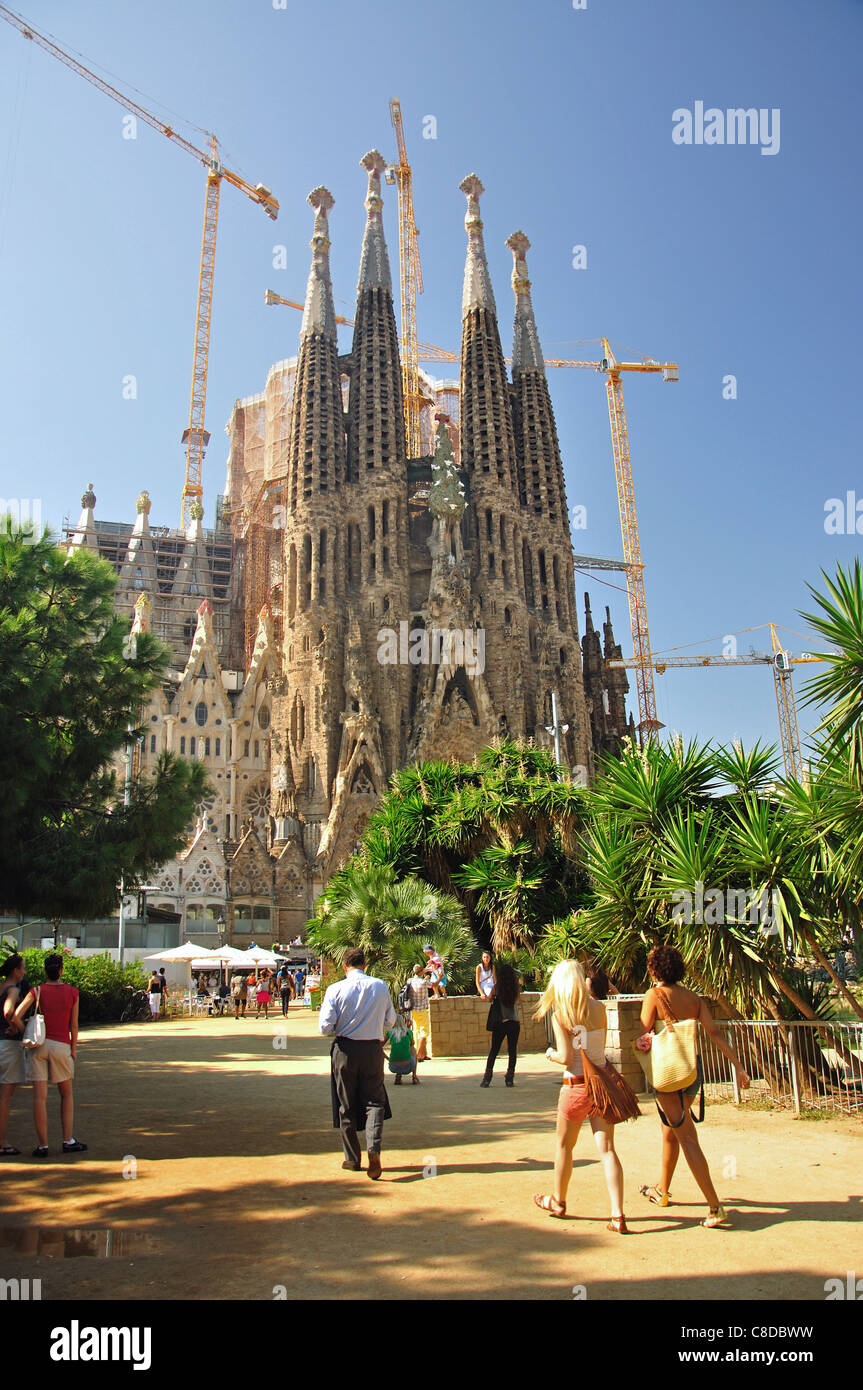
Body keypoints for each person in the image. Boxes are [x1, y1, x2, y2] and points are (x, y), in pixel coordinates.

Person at [638, 944, 750, 1228]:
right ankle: (662, 1190)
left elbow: (644, 1035)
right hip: (691, 1072)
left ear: (654, 969)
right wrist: (738, 1066)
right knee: (671, 1132)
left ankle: (714, 1206)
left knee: (686, 1137)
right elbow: (713, 1033)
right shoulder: (694, 998)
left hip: (667, 1075)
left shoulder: (653, 995)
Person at [533, 959, 628, 1232]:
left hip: (575, 1086)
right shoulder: (599, 1008)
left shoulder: (561, 1013)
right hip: (601, 1086)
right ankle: (617, 1214)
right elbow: (599, 1049)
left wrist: (550, 1055)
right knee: (607, 1150)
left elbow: (566, 1057)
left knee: (564, 1146)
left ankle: (559, 1201)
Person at [319, 947, 396, 1179]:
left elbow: (324, 1027)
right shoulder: (379, 986)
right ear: (365, 965)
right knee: (374, 1101)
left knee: (346, 1104)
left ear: (344, 966)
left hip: (345, 1050)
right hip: (372, 1049)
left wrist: (342, 1026)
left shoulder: (335, 989)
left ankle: (352, 1158)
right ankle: (373, 1147)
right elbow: (390, 1020)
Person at [15, 953, 86, 1157]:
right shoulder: (72, 993)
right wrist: (73, 1049)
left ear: (45, 971)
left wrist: (22, 1028)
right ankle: (68, 1140)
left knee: (39, 1098)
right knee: (66, 1094)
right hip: (61, 1045)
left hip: (39, 1045)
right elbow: (73, 1024)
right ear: (61, 970)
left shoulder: (37, 991)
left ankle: (43, 1145)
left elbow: (15, 1014)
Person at [0, 954, 27, 1157]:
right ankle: (1, 1143)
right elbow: (8, 1011)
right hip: (8, 1047)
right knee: (5, 1099)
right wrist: (18, 1026)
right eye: (23, 968)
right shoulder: (13, 990)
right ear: (15, 971)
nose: (24, 972)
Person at [481, 961, 521, 1087]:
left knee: (494, 1050)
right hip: (514, 1022)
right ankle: (510, 1077)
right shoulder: (515, 988)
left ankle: (487, 1078)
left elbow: (489, 998)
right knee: (512, 1051)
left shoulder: (497, 987)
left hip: (500, 1022)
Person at [385, 1013, 419, 1085]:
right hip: (408, 1066)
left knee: (398, 1051)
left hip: (393, 1067)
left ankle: (398, 1075)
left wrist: (388, 1058)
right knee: (413, 1049)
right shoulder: (408, 1032)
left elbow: (379, 1047)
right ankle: (414, 1076)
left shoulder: (390, 1033)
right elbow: (412, 1044)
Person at [407, 964, 430, 1059]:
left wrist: (422, 973)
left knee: (417, 1030)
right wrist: (439, 977)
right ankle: (419, 1055)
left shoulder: (410, 981)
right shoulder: (424, 982)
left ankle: (423, 1054)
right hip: (422, 1009)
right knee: (424, 1032)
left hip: (413, 1009)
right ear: (421, 972)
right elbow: (434, 984)